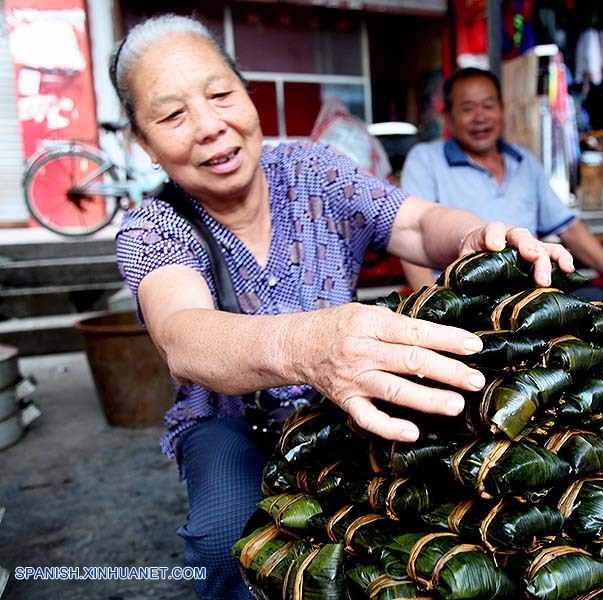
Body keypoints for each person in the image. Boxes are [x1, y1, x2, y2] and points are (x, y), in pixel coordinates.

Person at [110, 16, 574, 600]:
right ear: (143, 142)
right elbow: (183, 337)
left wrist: (476, 234)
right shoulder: (154, 227)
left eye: (221, 95)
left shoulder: (313, 171)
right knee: (224, 537)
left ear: (248, 94)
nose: (209, 127)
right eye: (173, 115)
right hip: (233, 422)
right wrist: (307, 346)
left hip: (347, 399)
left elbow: (416, 223)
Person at [400, 67, 603, 309]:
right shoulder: (425, 160)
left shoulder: (524, 161)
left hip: (530, 300)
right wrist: (433, 309)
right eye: (468, 108)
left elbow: (568, 227)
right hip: (463, 302)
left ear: (502, 109)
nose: (480, 117)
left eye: (488, 105)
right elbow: (413, 235)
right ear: (449, 117)